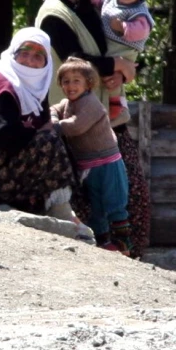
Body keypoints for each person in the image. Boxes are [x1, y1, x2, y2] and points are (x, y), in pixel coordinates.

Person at [36, 0, 151, 256]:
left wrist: (126, 68)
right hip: (76, 126)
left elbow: (116, 46)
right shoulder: (53, 14)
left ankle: (130, 261)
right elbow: (74, 58)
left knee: (130, 195)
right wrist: (116, 64)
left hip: (107, 118)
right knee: (93, 204)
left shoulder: (89, 6)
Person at [0, 27, 77, 217]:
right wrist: (36, 133)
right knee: (48, 143)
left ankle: (58, 207)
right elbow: (1, 136)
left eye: (38, 56)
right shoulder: (2, 88)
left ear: (46, 62)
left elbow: (42, 123)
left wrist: (42, 129)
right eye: (24, 54)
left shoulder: (35, 88)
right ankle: (61, 210)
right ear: (13, 54)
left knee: (56, 139)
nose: (30, 61)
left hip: (0, 165)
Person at [51, 57, 130, 253]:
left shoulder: (91, 103)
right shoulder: (68, 103)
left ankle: (124, 243)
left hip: (108, 162)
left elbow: (76, 126)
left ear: (88, 83)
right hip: (88, 165)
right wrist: (53, 118)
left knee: (115, 203)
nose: (71, 85)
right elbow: (53, 109)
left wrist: (54, 126)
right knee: (97, 206)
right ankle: (103, 243)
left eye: (76, 80)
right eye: (66, 81)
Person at [97, 0, 154, 127]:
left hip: (125, 50)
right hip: (108, 47)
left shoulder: (139, 10)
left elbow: (142, 30)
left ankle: (117, 104)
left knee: (114, 79)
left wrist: (123, 28)